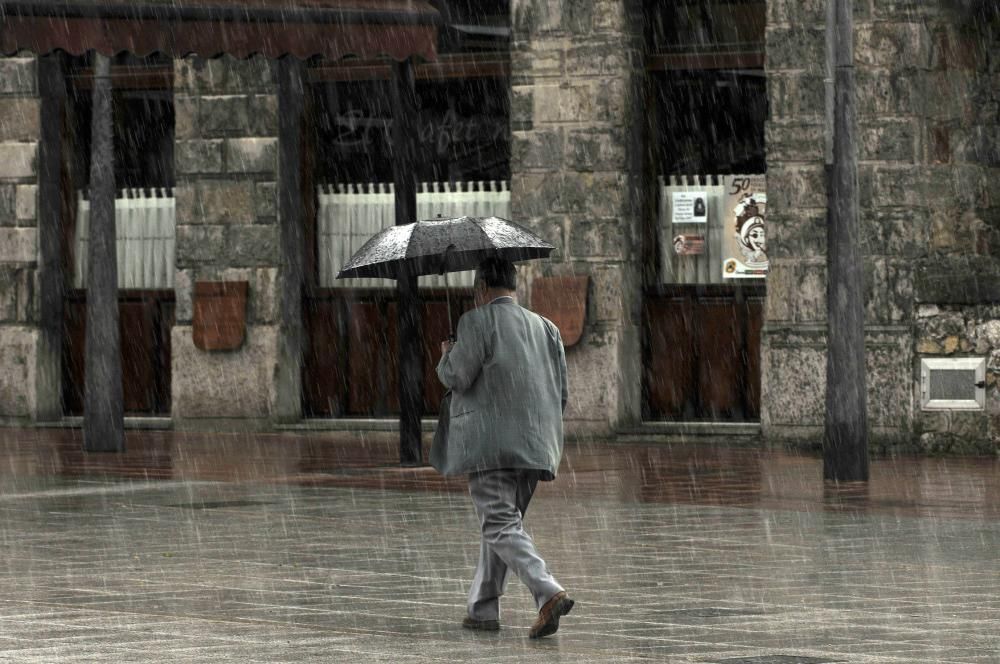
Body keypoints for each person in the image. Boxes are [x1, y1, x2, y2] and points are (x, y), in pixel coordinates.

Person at [435, 256, 573, 639]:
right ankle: (482, 608)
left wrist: (448, 350)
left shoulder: (475, 321)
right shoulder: (547, 327)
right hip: (538, 444)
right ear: (514, 285)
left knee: (498, 523)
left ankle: (547, 591)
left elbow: (456, 376)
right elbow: (562, 392)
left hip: (490, 443)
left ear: (480, 288)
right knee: (503, 524)